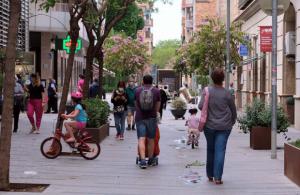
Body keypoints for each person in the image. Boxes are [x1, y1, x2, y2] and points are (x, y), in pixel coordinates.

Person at [198, 68, 237, 185]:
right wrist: (232, 120)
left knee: (210, 149)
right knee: (220, 150)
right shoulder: (227, 93)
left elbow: (200, 106)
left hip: (209, 126)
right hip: (225, 126)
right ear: (223, 79)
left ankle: (210, 175)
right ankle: (218, 178)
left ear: (212, 78)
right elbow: (233, 109)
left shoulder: (207, 91)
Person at [135, 75, 161, 169]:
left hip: (140, 117)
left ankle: (142, 160)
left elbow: (136, 104)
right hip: (151, 118)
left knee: (141, 139)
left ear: (143, 81)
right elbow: (158, 105)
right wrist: (155, 113)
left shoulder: (137, 90)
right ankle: (150, 160)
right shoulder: (156, 91)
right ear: (152, 81)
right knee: (151, 139)